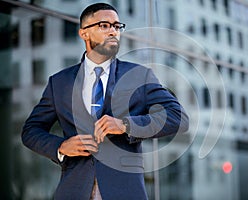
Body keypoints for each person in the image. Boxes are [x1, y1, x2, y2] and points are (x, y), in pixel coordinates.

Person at [22, 2, 189, 200]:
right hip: (73, 191)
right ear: (84, 33)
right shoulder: (59, 82)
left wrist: (125, 125)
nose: (113, 31)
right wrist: (61, 147)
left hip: (125, 192)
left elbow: (178, 118)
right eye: (104, 25)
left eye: (117, 26)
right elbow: (31, 131)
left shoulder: (138, 76)